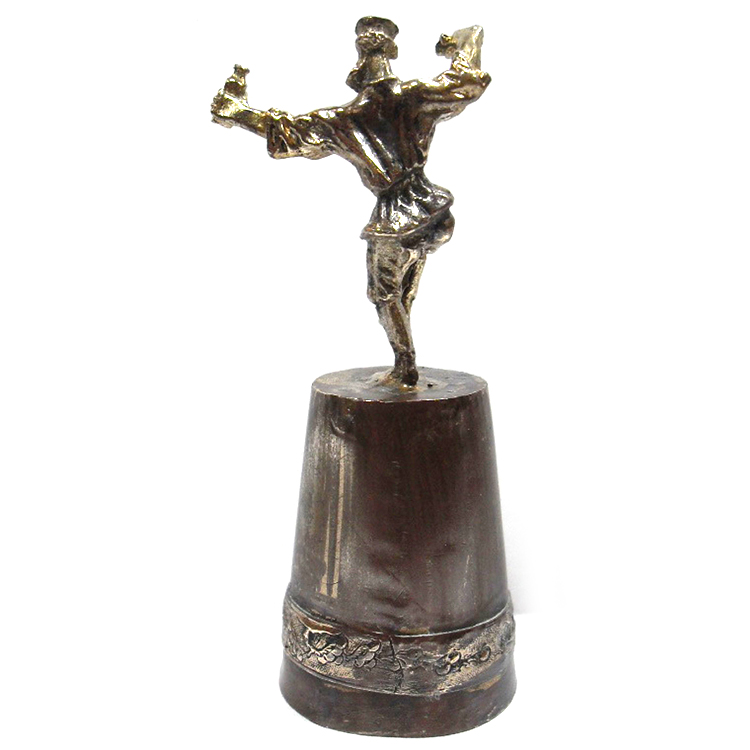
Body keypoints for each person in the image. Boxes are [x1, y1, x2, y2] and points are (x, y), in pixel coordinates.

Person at [211, 17, 491, 385]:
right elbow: (465, 82)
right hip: (431, 211)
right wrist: (460, 44)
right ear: (391, 52)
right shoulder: (410, 97)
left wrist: (237, 112)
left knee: (385, 293)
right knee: (402, 291)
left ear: (360, 62)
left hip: (397, 217)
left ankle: (406, 365)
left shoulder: (347, 118)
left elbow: (292, 131)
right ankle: (405, 361)